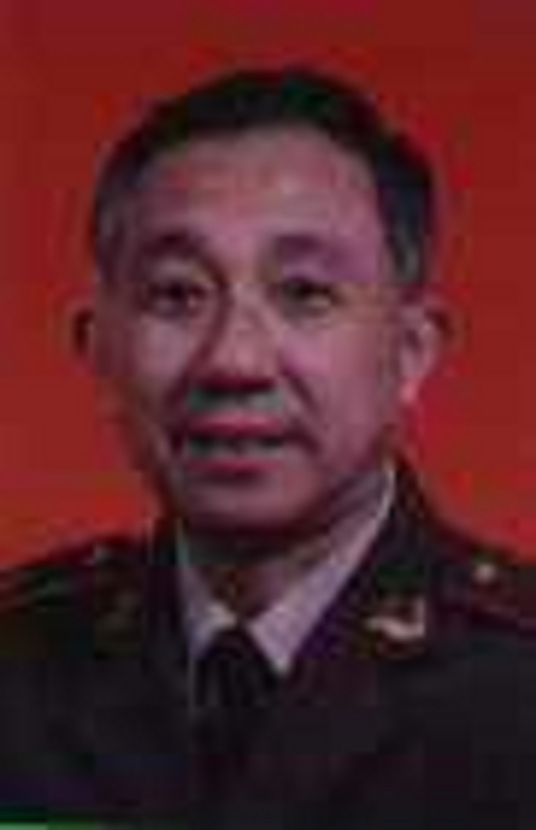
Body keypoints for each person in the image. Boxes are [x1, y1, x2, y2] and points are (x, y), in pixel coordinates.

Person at [0, 67, 535, 829]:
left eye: (305, 293)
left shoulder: (516, 688)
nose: (234, 360)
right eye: (177, 294)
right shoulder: (20, 671)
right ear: (98, 349)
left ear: (412, 351)